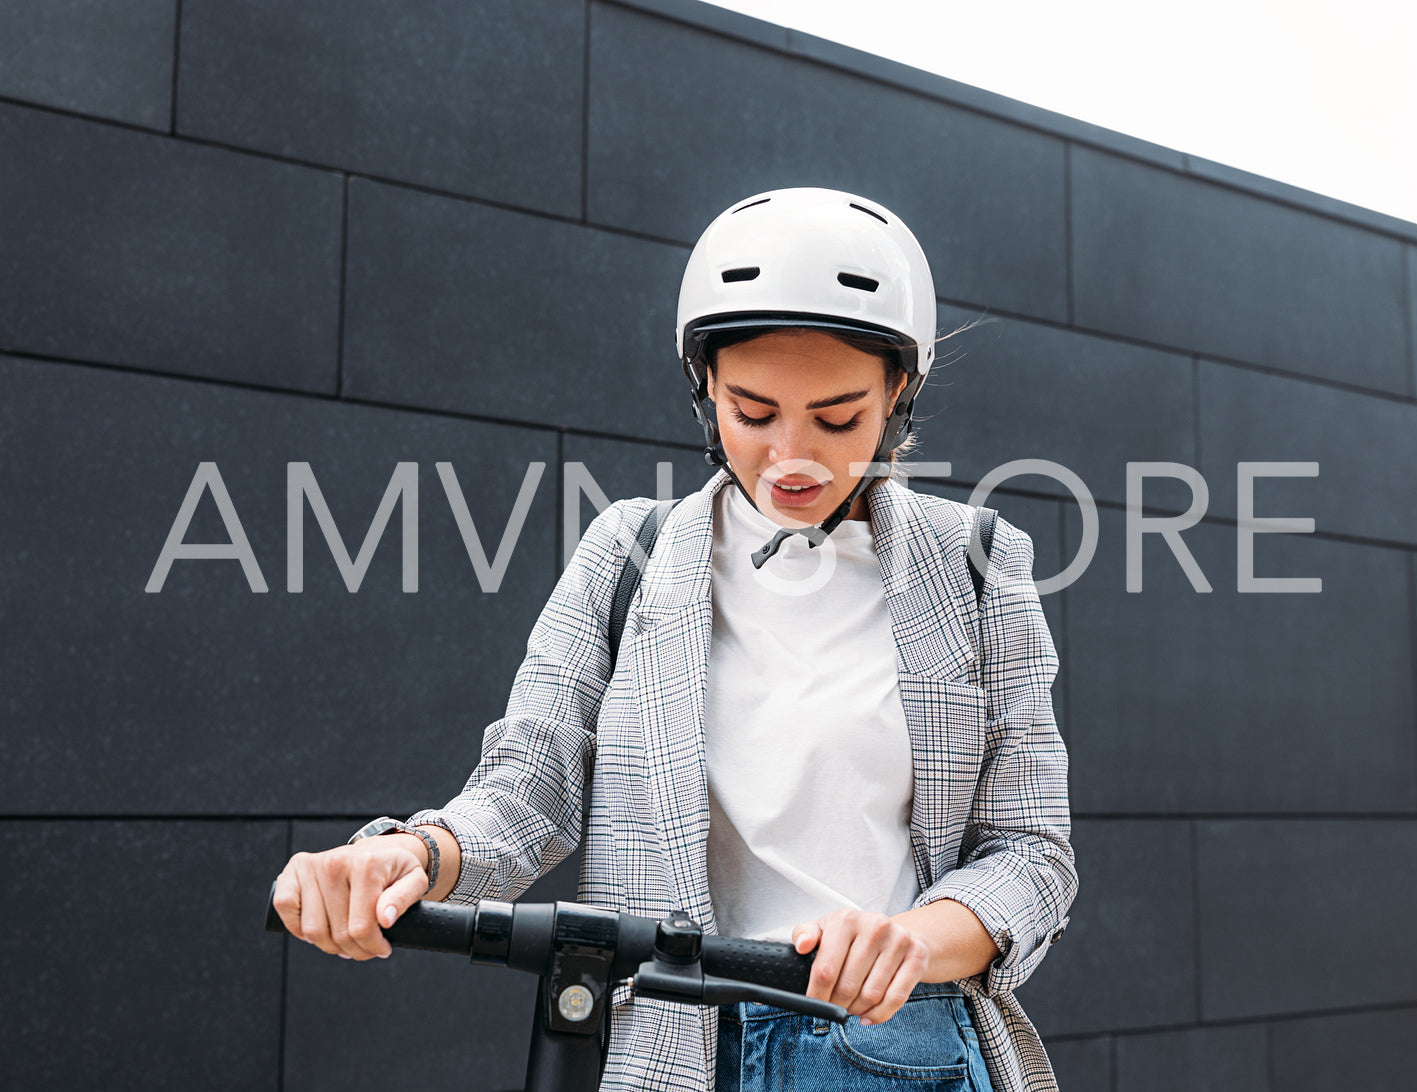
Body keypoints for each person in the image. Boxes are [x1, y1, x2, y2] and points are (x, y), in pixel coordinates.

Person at [273, 187, 1076, 1092]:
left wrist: (909, 943)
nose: (794, 456)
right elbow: (525, 795)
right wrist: (409, 854)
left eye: (838, 417)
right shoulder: (630, 554)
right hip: (670, 1052)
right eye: (753, 412)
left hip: (893, 1049)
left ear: (899, 391)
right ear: (705, 391)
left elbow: (1029, 852)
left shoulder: (975, 564)